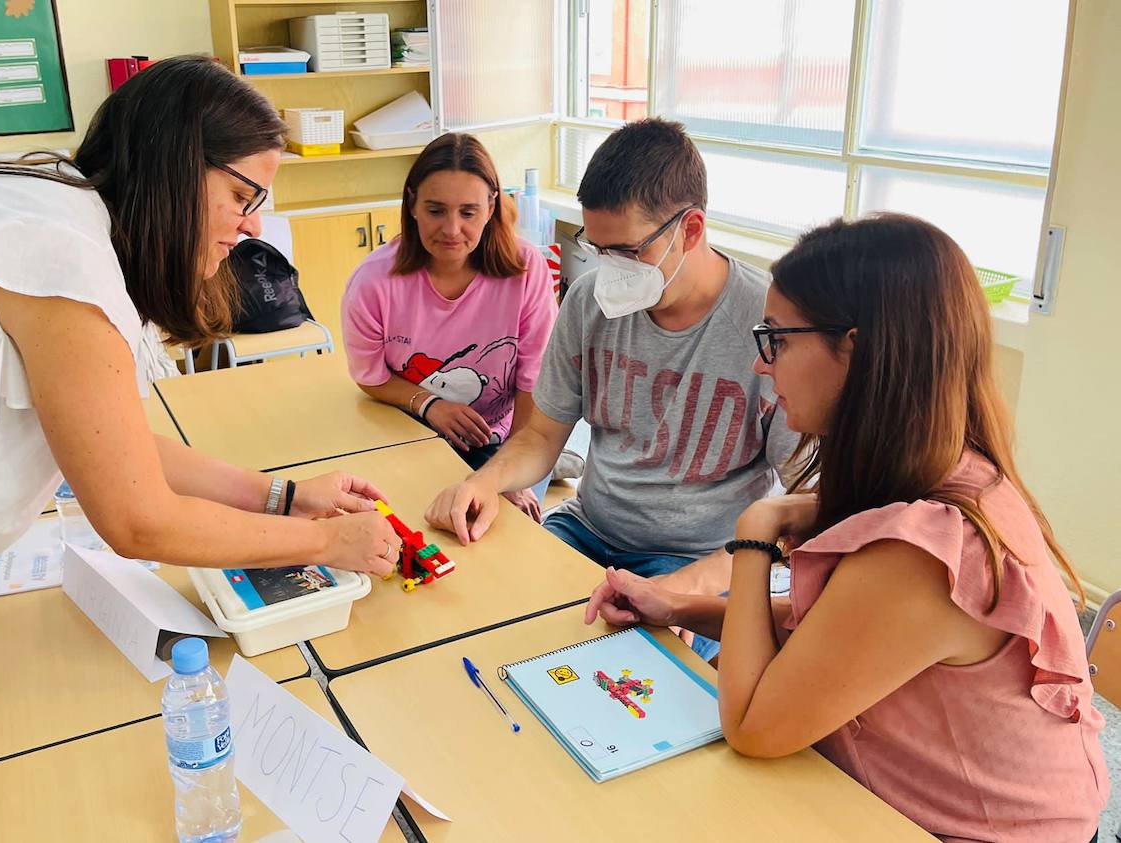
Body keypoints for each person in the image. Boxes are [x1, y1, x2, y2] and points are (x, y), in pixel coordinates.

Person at [0, 56, 398, 842]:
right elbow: (137, 518)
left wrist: (284, 497)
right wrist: (329, 539)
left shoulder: (50, 207)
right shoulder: (56, 253)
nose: (253, 223)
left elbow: (114, 443)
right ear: (175, 167)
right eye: (242, 194)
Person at [585, 214, 1108, 842]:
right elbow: (828, 639)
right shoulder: (948, 469)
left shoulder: (923, 551)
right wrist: (677, 604)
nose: (761, 364)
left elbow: (753, 725)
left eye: (776, 338)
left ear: (854, 352)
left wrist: (755, 532)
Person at [425, 119, 797, 658]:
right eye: (597, 248)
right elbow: (543, 434)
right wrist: (486, 482)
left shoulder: (768, 326)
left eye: (626, 252)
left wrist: (686, 592)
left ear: (690, 230)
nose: (609, 271)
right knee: (490, 621)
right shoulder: (591, 300)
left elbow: (803, 512)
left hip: (697, 561)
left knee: (642, 685)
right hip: (588, 529)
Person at [341, 133, 557, 519]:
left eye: (468, 212)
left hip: (499, 436)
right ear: (412, 205)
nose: (451, 229)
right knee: (401, 517)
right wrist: (429, 404)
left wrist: (509, 476)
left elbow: (532, 382)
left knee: (505, 523)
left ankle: (552, 467)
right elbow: (369, 375)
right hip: (407, 431)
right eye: (436, 210)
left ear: (491, 207)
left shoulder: (526, 270)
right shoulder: (373, 281)